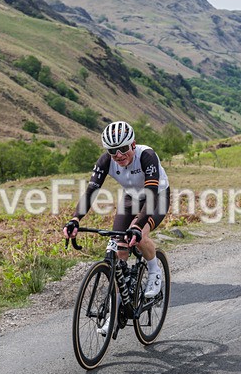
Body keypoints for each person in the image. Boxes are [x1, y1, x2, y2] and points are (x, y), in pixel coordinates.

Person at [63, 121, 170, 305]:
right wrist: (75, 219)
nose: (118, 155)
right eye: (113, 151)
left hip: (156, 197)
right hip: (131, 197)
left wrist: (137, 225)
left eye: (123, 148)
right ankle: (119, 301)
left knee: (139, 236)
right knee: (119, 245)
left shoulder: (147, 155)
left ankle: (154, 271)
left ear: (133, 144)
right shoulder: (106, 161)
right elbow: (90, 192)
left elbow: (151, 195)